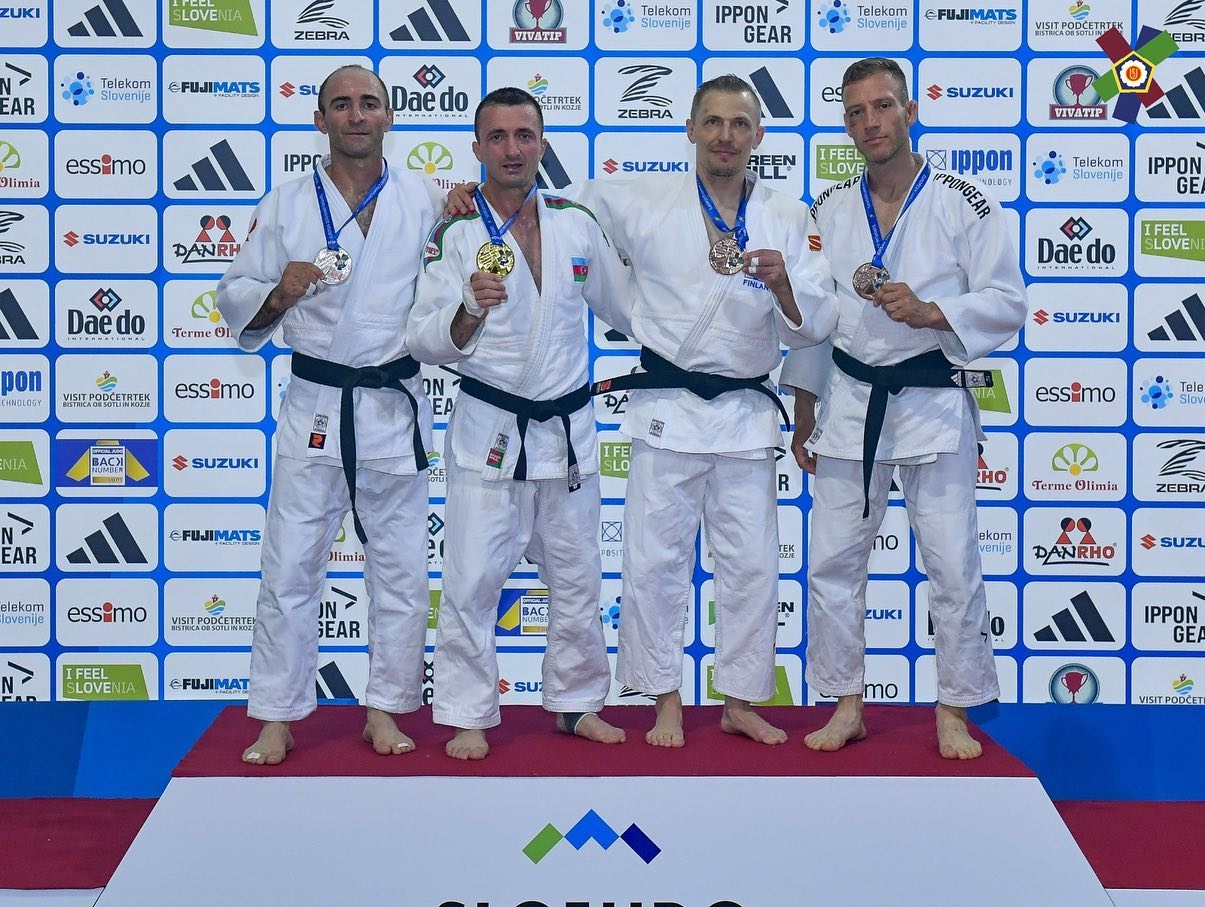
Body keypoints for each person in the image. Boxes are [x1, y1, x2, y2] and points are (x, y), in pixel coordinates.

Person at [452, 74, 836, 747]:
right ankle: (664, 700)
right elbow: (536, 201)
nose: (724, 136)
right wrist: (459, 195)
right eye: (711, 122)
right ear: (690, 130)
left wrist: (782, 287)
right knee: (655, 565)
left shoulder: (787, 214)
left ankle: (740, 699)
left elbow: (818, 322)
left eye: (738, 124)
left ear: (758, 135)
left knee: (752, 568)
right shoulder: (635, 198)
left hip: (745, 415)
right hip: (665, 411)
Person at [780, 57, 1026, 759]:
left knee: (951, 563)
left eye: (883, 106)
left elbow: (1008, 300)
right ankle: (845, 701)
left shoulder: (964, 201)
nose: (871, 122)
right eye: (856, 112)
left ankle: (954, 706)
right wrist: (804, 409)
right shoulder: (828, 209)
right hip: (850, 401)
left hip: (931, 401)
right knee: (831, 563)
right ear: (845, 124)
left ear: (910, 112)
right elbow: (817, 319)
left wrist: (932, 311)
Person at [217, 65, 442, 765]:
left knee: (401, 570)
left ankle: (385, 709)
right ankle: (276, 716)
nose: (355, 115)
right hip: (315, 402)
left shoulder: (426, 197)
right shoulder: (285, 202)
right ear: (320, 120)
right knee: (289, 567)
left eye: (368, 103)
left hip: (391, 406)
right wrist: (278, 293)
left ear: (389, 116)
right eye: (340, 105)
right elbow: (236, 293)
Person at [408, 88, 630, 759]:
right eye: (498, 137)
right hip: (491, 432)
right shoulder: (453, 232)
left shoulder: (575, 221)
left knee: (578, 577)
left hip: (566, 432)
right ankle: (468, 713)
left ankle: (577, 702)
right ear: (477, 147)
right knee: (472, 580)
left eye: (524, 135)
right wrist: (467, 311)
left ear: (542, 143)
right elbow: (423, 338)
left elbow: (627, 308)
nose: (512, 150)